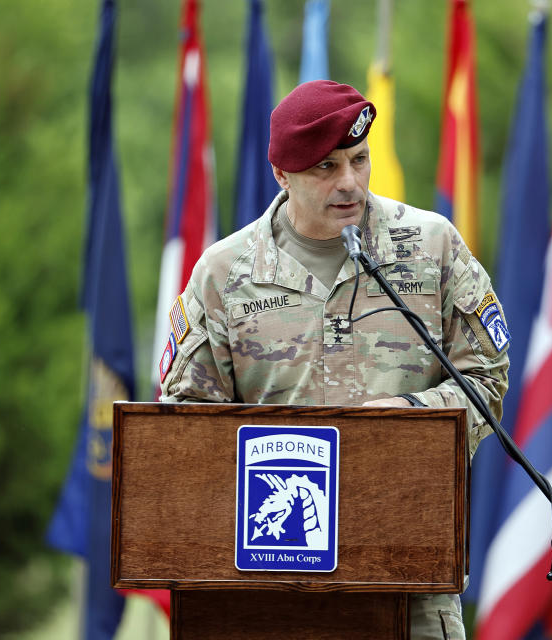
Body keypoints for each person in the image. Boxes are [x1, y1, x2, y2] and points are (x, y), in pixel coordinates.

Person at [159, 79, 509, 639]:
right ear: (282, 174)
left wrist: (408, 413)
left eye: (359, 159)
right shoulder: (223, 275)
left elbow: (485, 378)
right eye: (325, 168)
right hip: (270, 586)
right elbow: (185, 427)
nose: (349, 182)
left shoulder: (430, 246)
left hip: (407, 578)